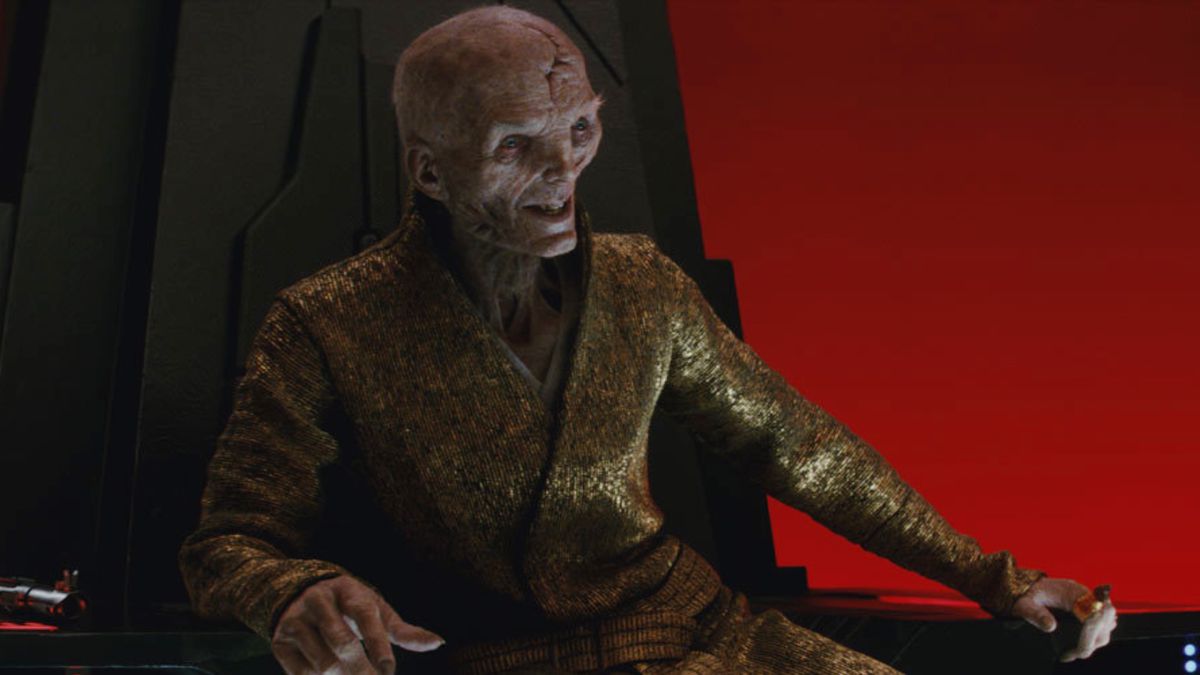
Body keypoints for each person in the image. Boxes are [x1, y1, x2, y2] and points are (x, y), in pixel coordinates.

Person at [178, 7, 1117, 674]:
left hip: (702, 635)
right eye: (515, 145)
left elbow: (797, 445)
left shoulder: (642, 285)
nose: (563, 172)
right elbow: (230, 539)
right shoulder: (329, 322)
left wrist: (996, 576)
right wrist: (290, 590)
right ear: (430, 172)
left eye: (580, 128)